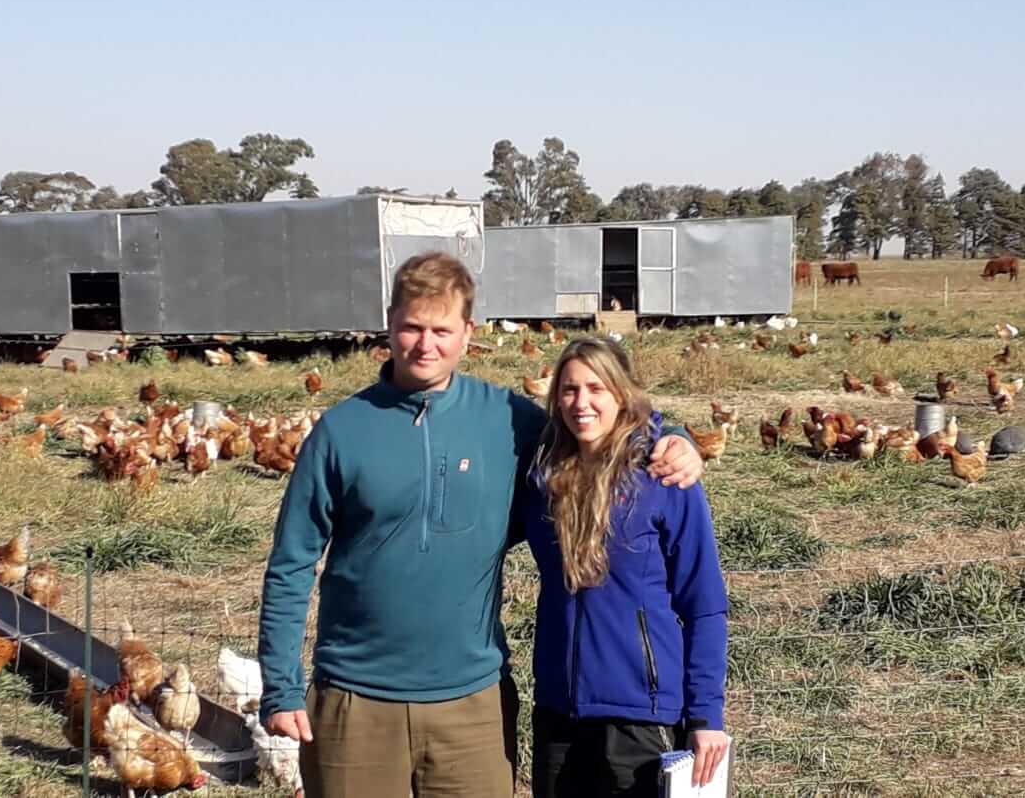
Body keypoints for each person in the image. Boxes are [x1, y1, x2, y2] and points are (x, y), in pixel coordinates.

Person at [258, 252, 705, 798]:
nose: (426, 345)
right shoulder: (342, 431)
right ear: (389, 324)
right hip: (355, 700)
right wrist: (281, 688)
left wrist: (671, 433)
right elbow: (290, 565)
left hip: (472, 706)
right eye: (411, 328)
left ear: (468, 332)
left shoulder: (506, 419)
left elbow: (596, 418)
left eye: (441, 330)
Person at [525, 337, 730, 796]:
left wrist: (705, 716)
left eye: (596, 388)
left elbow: (705, 604)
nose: (582, 403)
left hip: (640, 716)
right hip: (559, 712)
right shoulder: (543, 476)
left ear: (622, 394)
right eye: (569, 390)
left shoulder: (663, 476)